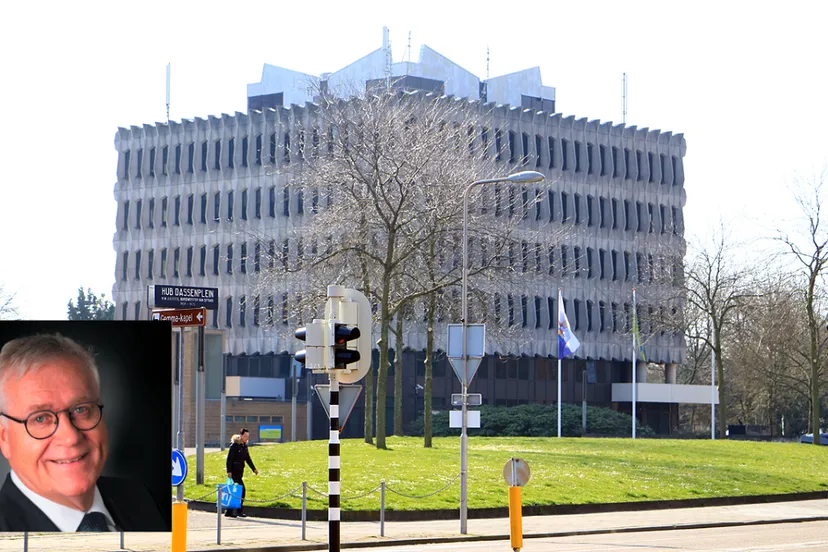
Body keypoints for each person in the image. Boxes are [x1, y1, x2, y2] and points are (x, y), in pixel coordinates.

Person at [0, 333, 167, 531]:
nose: (70, 437)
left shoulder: (140, 498)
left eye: (81, 409)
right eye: (40, 418)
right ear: (4, 438)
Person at [224, 428, 258, 518]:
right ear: (241, 435)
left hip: (240, 472)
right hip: (234, 472)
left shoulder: (244, 446)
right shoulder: (234, 445)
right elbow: (229, 459)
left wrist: (253, 469)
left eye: (248, 436)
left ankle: (229, 511)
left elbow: (248, 459)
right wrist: (229, 471)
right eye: (245, 436)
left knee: (234, 491)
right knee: (241, 491)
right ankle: (238, 511)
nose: (247, 438)